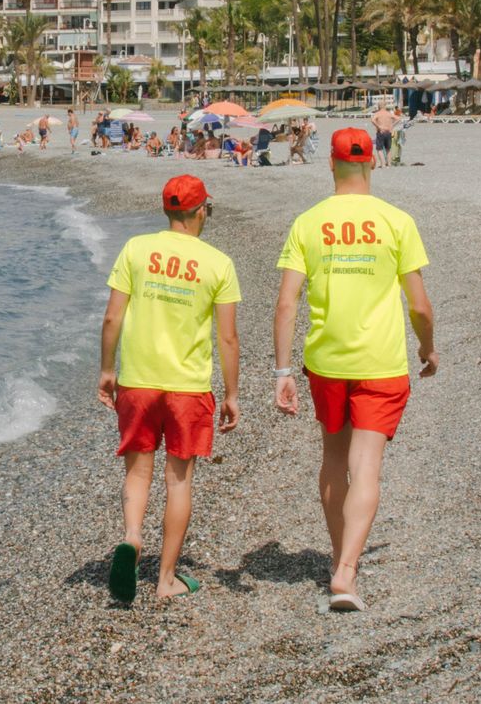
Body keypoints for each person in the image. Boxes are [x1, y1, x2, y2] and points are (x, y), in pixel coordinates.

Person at [272, 127, 437, 613]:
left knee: (333, 460)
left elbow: (286, 304)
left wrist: (282, 372)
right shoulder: (396, 221)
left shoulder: (308, 222)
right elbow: (420, 305)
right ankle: (346, 571)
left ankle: (339, 557)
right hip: (381, 361)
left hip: (326, 360)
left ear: (331, 163)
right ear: (371, 164)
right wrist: (428, 350)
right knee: (367, 467)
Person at [99, 174, 241, 603]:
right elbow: (228, 338)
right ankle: (165, 579)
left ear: (167, 210)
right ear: (201, 212)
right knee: (178, 481)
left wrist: (108, 370)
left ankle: (133, 535)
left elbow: (112, 318)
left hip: (138, 381)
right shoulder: (218, 263)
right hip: (187, 387)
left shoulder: (136, 249)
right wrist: (232, 394)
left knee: (138, 471)